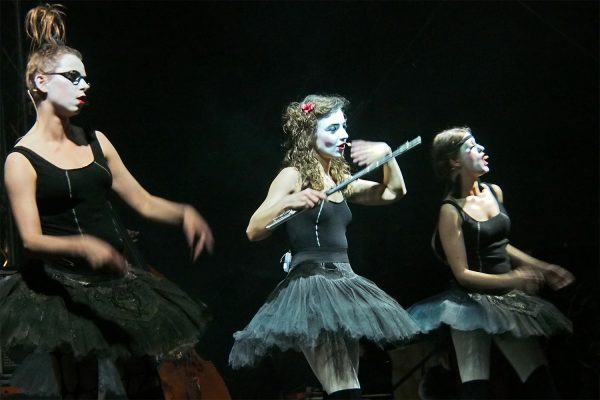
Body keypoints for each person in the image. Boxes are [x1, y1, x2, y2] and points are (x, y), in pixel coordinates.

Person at [2, 4, 214, 398]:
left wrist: (183, 212)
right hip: (64, 291)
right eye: (73, 77)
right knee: (79, 388)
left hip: (118, 281)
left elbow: (144, 201)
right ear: (41, 82)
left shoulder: (97, 141)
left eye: (86, 78)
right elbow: (31, 239)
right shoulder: (21, 159)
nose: (86, 85)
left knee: (145, 385)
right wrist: (82, 244)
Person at [228, 94, 421, 399]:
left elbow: (393, 192)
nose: (343, 135)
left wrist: (387, 155)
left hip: (344, 282)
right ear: (309, 135)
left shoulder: (339, 178)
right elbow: (253, 228)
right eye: (332, 129)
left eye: (344, 127)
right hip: (313, 288)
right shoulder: (293, 175)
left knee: (349, 386)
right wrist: (291, 200)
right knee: (344, 388)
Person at [408, 127, 574, 399]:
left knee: (540, 380)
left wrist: (542, 266)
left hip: (506, 302)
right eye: (471, 146)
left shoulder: (494, 192)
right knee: (476, 387)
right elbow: (462, 274)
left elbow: (500, 244)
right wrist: (514, 279)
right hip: (469, 305)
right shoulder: (450, 210)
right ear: (454, 161)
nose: (481, 148)